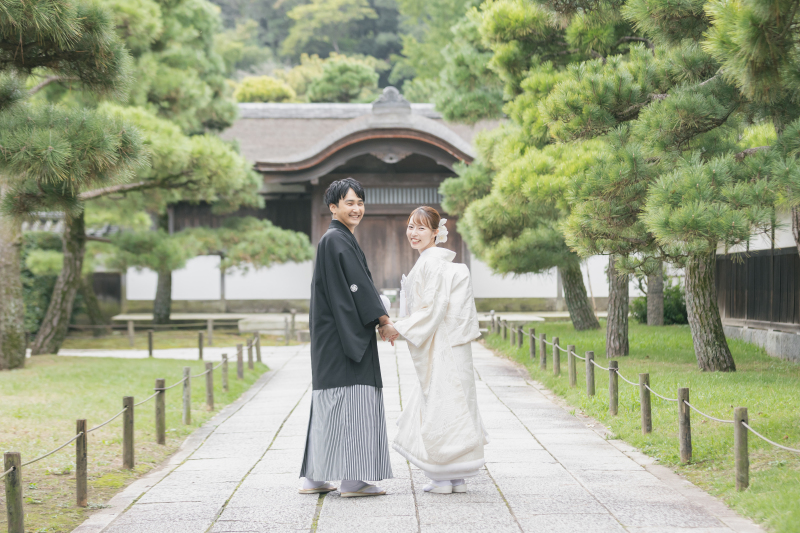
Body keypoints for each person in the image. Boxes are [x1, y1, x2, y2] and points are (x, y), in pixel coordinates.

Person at [299, 178, 399, 498]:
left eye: (360, 202)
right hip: (345, 337)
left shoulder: (335, 239)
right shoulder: (337, 240)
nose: (356, 208)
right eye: (349, 203)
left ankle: (314, 478)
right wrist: (383, 320)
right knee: (353, 400)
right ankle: (354, 480)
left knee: (328, 402)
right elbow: (359, 287)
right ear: (333, 207)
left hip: (330, 337)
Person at [388, 206, 487, 494]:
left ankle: (443, 476)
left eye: (421, 228)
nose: (413, 233)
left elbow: (433, 309)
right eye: (410, 227)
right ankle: (456, 476)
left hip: (441, 343)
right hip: (453, 343)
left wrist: (398, 327)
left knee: (441, 404)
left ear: (435, 232)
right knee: (457, 402)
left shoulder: (431, 264)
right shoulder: (440, 263)